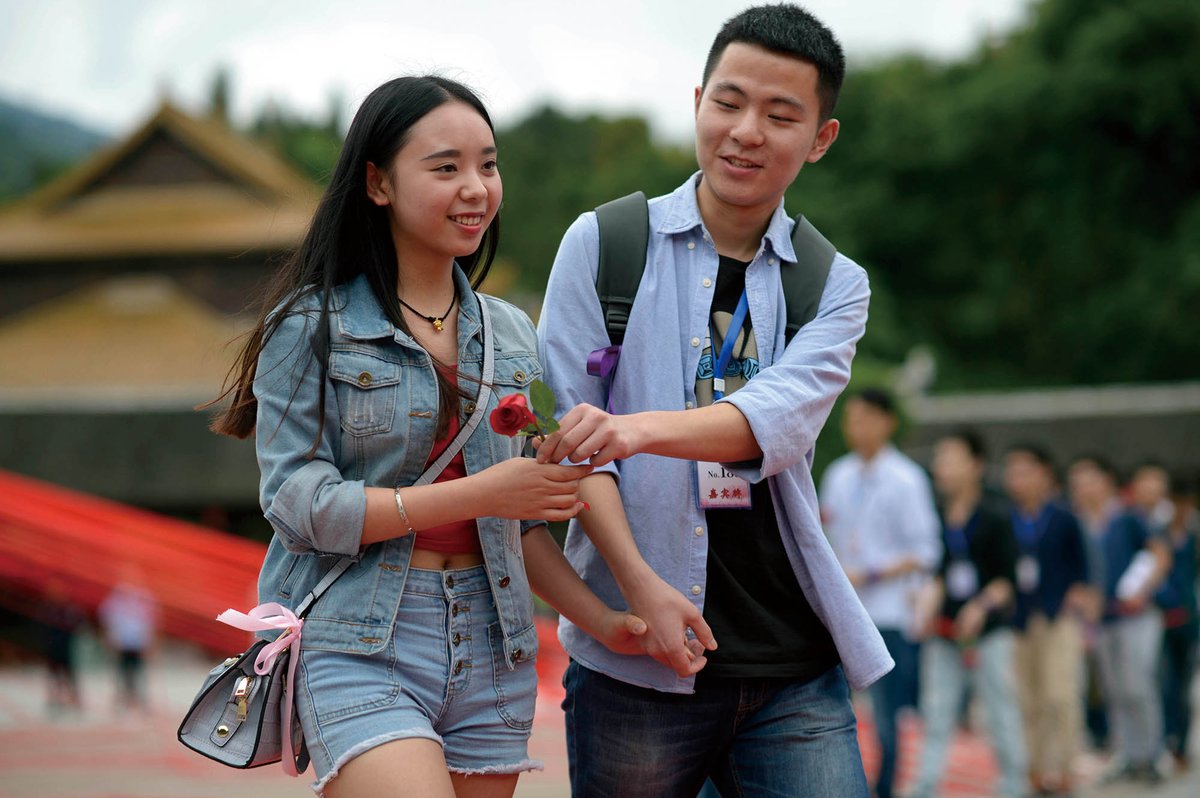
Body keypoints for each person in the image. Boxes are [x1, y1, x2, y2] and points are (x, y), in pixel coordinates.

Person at [209, 76, 651, 798]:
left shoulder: (508, 333)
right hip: (359, 640)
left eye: (488, 164)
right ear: (378, 183)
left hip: (492, 640)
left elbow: (521, 527)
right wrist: (485, 492)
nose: (475, 187)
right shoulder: (312, 326)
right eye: (446, 167)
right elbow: (298, 503)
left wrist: (603, 620)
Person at [534, 7, 894, 795]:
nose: (746, 131)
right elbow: (569, 439)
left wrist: (630, 430)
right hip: (634, 661)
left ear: (821, 138)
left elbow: (773, 423)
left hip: (792, 662)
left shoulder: (833, 284)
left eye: (780, 114)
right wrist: (638, 588)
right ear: (698, 101)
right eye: (728, 103)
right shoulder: (603, 246)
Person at [821, 389, 942, 798]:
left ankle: (886, 789)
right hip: (844, 612)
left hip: (888, 611)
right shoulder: (838, 474)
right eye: (850, 419)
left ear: (885, 422)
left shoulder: (906, 479)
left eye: (863, 418)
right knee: (835, 712)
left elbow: (925, 551)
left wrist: (869, 572)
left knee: (888, 716)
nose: (855, 427)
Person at [909, 431, 1026, 798]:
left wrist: (980, 606)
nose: (941, 466)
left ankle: (1013, 786)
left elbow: (1007, 581)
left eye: (951, 457)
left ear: (975, 465)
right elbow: (937, 572)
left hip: (990, 631)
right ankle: (925, 787)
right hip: (945, 631)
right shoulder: (933, 514)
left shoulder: (996, 514)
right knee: (937, 710)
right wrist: (926, 602)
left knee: (1000, 708)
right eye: (940, 457)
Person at [1067, 455, 1172, 786]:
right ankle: (1125, 753)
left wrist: (1141, 590)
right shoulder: (1079, 523)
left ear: (1107, 481)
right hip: (1102, 618)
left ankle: (1151, 754)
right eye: (1077, 483)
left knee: (1137, 685)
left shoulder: (1128, 518)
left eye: (1089, 481)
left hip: (1135, 616)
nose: (1083, 489)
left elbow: (1159, 554)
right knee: (1113, 690)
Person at [1003, 444, 1092, 796]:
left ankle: (1066, 767)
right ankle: (1036, 770)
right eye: (1012, 472)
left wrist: (1079, 604)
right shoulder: (1006, 518)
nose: (1017, 479)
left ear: (1044, 474)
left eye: (1025, 471)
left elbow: (1081, 568)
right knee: (1028, 699)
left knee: (1060, 696)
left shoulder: (1064, 518)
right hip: (1020, 620)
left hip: (1057, 618)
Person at [1155, 473, 1198, 772]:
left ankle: (1179, 743)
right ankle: (1164, 740)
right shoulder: (1158, 534)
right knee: (1162, 682)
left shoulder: (1195, 536)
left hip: (1189, 617)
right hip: (1162, 616)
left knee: (1181, 683)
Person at [98, 571, 157, 712]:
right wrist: (109, 638)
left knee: (137, 671)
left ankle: (136, 698)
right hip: (122, 642)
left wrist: (151, 641)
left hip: (137, 643)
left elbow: (151, 621)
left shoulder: (144, 599)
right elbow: (107, 619)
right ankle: (124, 697)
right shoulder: (115, 600)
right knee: (122, 671)